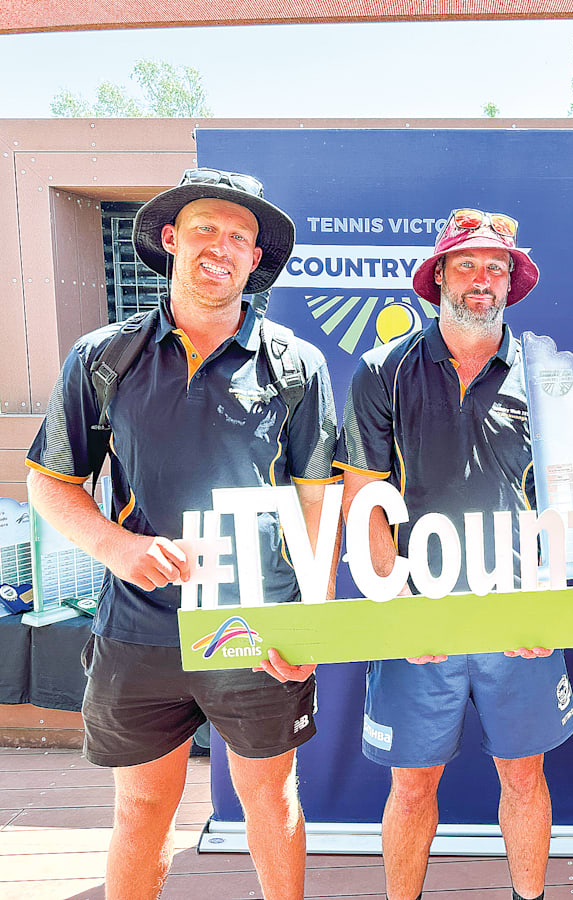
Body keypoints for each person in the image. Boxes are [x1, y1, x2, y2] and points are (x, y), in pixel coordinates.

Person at [25, 168, 340, 900]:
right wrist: (119, 549)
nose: (221, 248)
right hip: (139, 631)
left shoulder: (297, 365)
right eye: (205, 229)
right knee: (140, 808)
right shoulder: (102, 358)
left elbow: (319, 504)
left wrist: (313, 630)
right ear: (170, 238)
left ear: (256, 258)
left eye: (239, 237)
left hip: (258, 631)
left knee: (270, 799)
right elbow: (50, 482)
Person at [334, 208, 573, 900]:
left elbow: (571, 499)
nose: (481, 280)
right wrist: (399, 605)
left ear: (511, 283)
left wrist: (547, 599)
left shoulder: (546, 374)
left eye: (495, 268)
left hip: (517, 616)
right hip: (420, 615)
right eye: (466, 265)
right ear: (438, 276)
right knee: (410, 790)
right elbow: (362, 500)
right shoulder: (384, 370)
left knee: (524, 778)